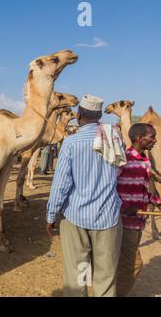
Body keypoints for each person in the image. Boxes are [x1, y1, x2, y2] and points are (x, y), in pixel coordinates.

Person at [46, 95, 124, 297]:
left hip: (76, 218)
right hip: (108, 217)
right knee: (105, 277)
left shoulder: (71, 143)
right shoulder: (114, 139)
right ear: (99, 116)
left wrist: (51, 215)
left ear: (78, 115)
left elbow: (61, 185)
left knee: (77, 275)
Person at [116, 123, 161, 296]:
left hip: (138, 222)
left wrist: (156, 201)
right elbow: (109, 188)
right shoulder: (123, 160)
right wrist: (126, 207)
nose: (155, 140)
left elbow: (143, 189)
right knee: (133, 264)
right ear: (139, 138)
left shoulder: (144, 160)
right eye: (152, 136)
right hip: (125, 222)